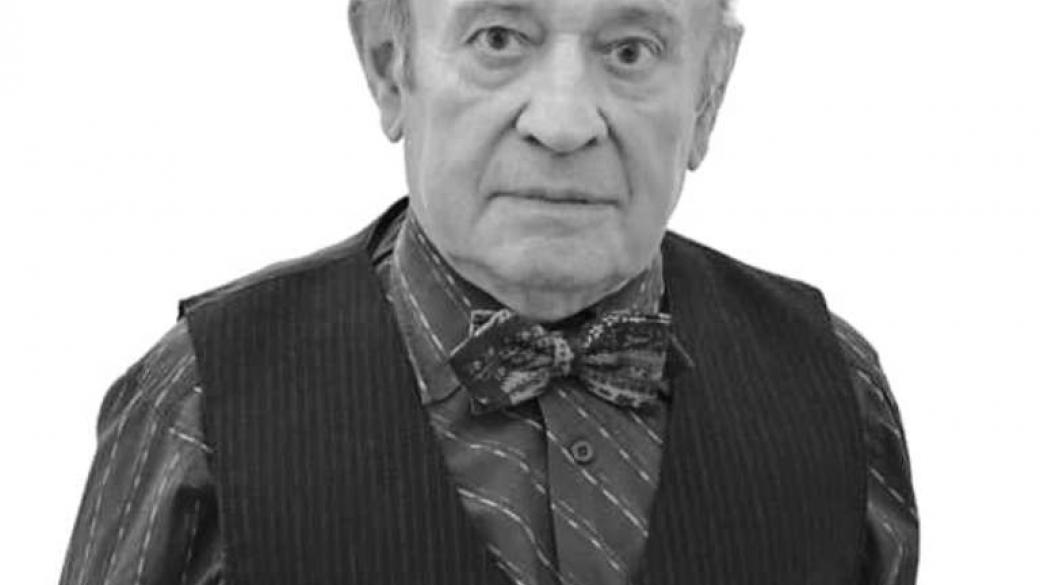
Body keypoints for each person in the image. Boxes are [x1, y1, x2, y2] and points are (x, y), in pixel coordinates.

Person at [59, 0, 919, 583]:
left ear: (709, 92)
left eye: (631, 50)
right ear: (389, 65)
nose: (564, 122)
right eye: (500, 37)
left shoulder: (836, 391)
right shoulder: (200, 404)